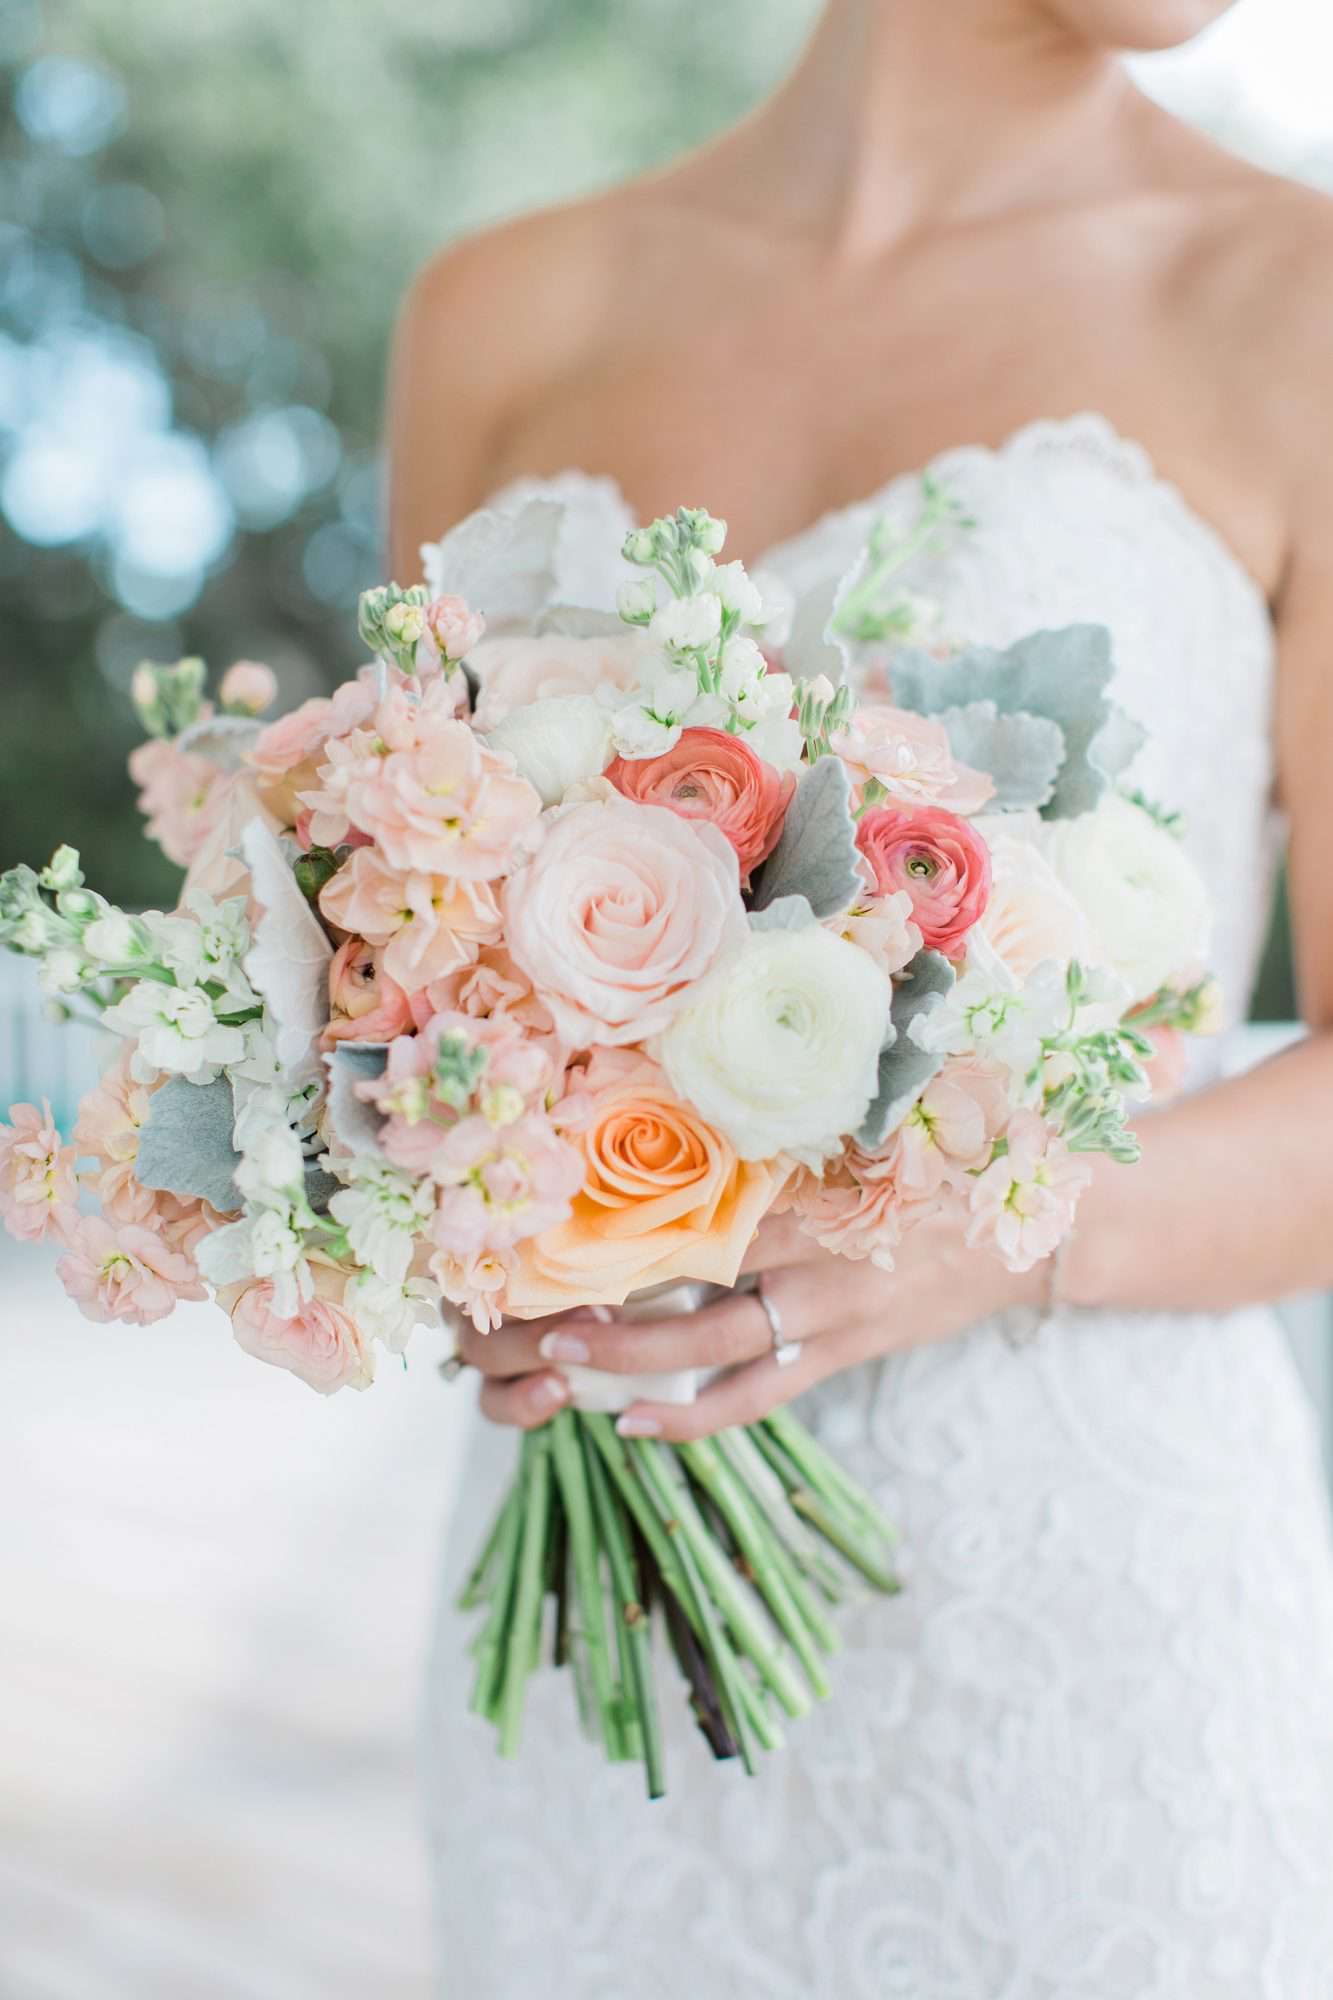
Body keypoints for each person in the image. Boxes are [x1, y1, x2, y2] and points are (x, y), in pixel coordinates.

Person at [389, 3, 1333, 1992]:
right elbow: (391, 920)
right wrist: (429, 1156)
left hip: (1086, 1631)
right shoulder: (503, 310)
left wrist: (990, 1228)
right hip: (600, 1608)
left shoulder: (1293, 300)